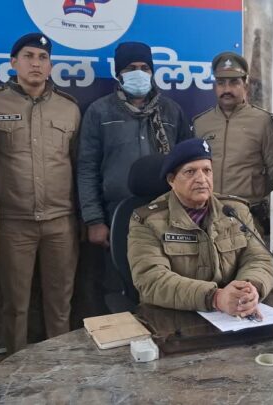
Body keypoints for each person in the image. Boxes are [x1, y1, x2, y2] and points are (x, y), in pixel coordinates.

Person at [0, 33, 81, 354]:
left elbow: (78, 163)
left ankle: (59, 364)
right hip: (12, 223)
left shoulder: (69, 108)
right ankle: (15, 369)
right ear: (13, 62)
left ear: (50, 65)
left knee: (60, 304)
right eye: (28, 56)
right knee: (15, 306)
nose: (36, 63)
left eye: (43, 58)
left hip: (61, 222)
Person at [77, 41, 192, 306]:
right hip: (117, 216)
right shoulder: (99, 111)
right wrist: (94, 220)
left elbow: (188, 165)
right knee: (120, 289)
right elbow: (87, 168)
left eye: (144, 67)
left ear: (152, 71)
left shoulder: (171, 111)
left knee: (168, 284)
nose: (138, 73)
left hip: (168, 214)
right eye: (130, 68)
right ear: (118, 73)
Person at [127, 138, 273, 317]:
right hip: (172, 316)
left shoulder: (236, 211)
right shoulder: (147, 221)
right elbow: (151, 279)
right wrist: (215, 297)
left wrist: (248, 289)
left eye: (207, 170)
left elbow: (258, 258)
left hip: (231, 315)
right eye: (190, 172)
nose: (202, 179)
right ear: (171, 180)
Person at [193, 51, 273, 235]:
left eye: (234, 82)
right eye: (221, 83)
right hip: (209, 214)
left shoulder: (262, 121)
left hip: (248, 216)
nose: (227, 89)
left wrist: (253, 190)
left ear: (245, 86)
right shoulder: (201, 123)